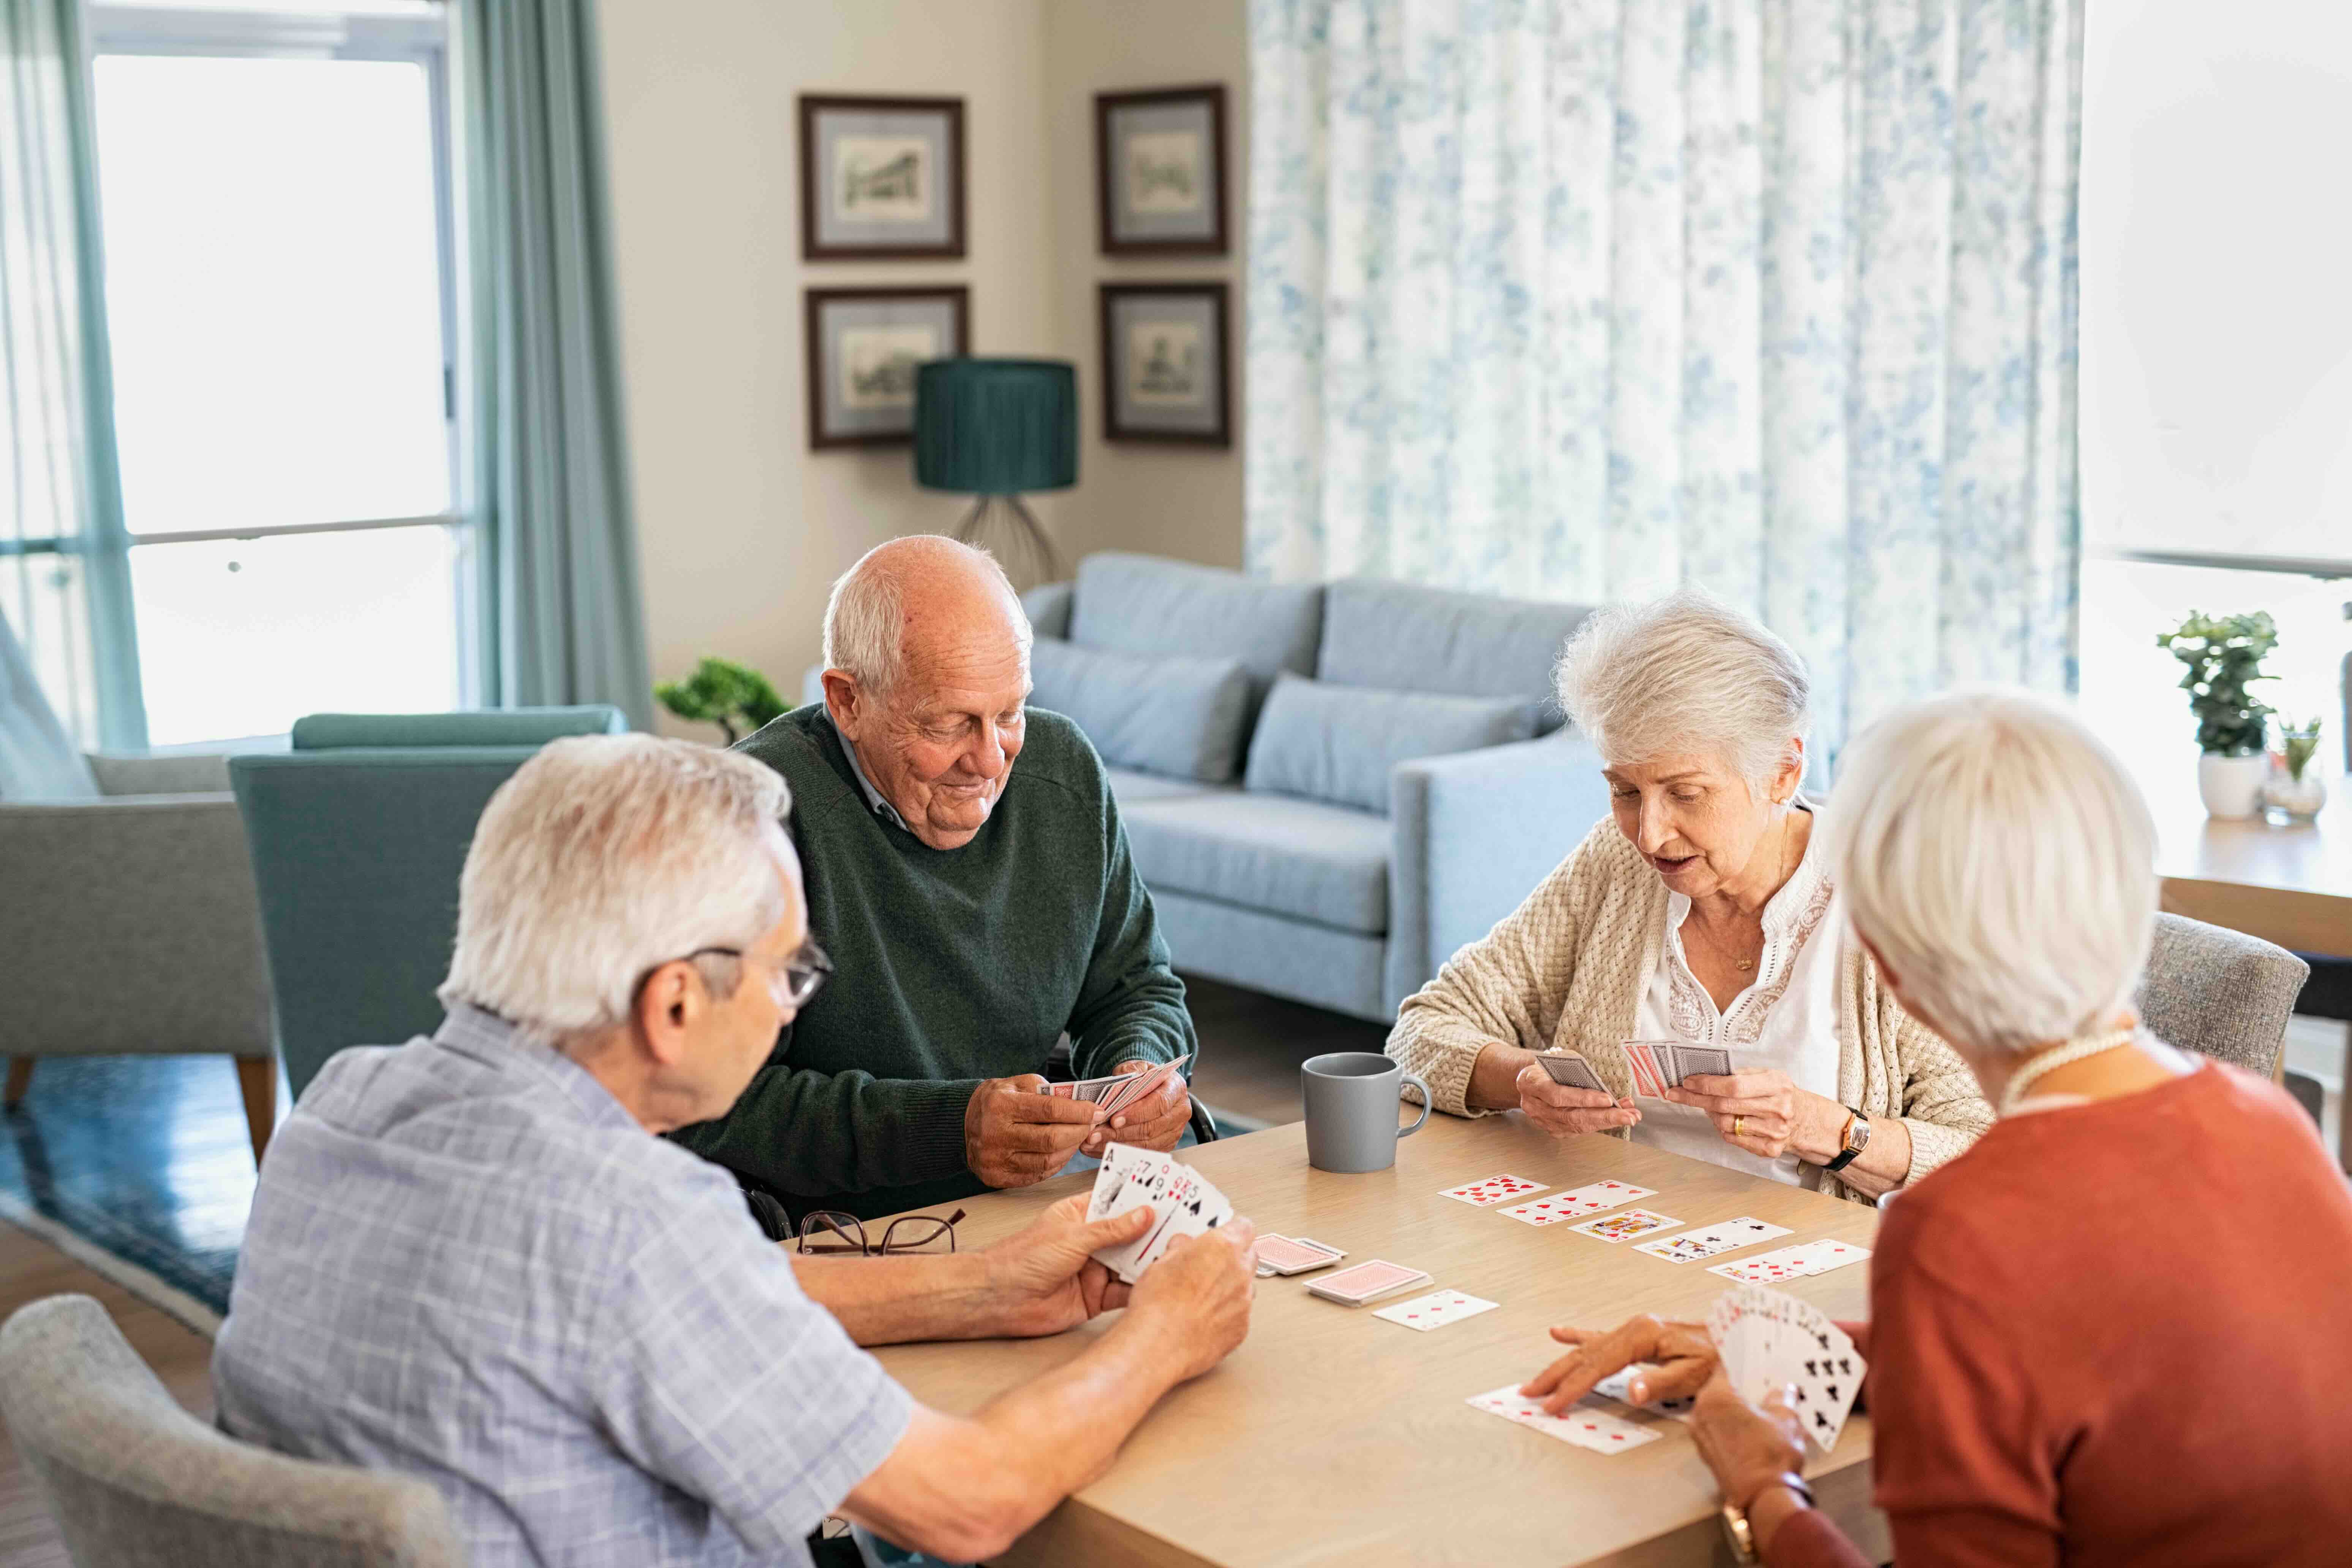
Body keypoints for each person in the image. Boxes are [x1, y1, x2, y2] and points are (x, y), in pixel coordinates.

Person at [213, 736, 1257, 1568]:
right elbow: (972, 1502)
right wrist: (1166, 1334)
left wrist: (986, 1288)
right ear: (673, 1003)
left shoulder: (340, 1104)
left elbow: (695, 1301)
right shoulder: (632, 1217)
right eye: (787, 971)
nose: (791, 998)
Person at [1516, 691, 2352, 1566]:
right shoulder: (2268, 1119)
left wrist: (1763, 1491)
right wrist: (1779, 1344)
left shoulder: (1963, 1230)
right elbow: (2076, 1353)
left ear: (1886, 964)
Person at [1386, 591, 1988, 1202]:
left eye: (1687, 793)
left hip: (1809, 1272)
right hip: (1610, 1241)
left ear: (1784, 771)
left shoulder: (1893, 893)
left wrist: (1829, 1131)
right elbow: (1418, 1034)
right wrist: (1520, 1081)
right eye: (1624, 790)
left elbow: (1990, 1151)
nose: (1649, 834)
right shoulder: (1619, 864)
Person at [674, 537, 1195, 1221]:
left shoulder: (1063, 772)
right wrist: (947, 1131)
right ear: (847, 701)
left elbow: (1137, 987)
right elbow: (710, 1102)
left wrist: (1140, 1070)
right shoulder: (748, 819)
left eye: (1009, 714)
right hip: (829, 1237)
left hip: (1034, 1205)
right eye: (949, 723)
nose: (988, 759)